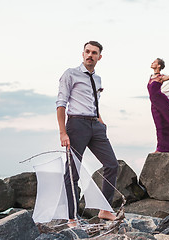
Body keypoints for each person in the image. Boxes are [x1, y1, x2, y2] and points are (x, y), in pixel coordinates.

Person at [56, 41, 119, 223]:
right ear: (82, 54)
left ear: (100, 57)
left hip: (95, 126)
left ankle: (105, 210)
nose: (90, 55)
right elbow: (61, 103)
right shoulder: (70, 74)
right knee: (73, 171)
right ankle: (71, 217)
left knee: (112, 165)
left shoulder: (97, 79)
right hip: (76, 125)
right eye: (87, 51)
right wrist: (62, 132)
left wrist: (101, 122)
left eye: (94, 53)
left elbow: (94, 102)